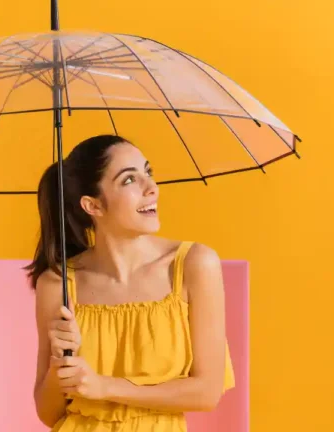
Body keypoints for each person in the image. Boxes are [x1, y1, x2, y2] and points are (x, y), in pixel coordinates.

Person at [26, 135, 235, 432]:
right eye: (129, 180)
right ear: (93, 205)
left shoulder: (193, 265)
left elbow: (206, 393)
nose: (151, 188)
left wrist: (106, 387)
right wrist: (59, 365)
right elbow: (49, 413)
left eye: (148, 172)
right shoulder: (58, 283)